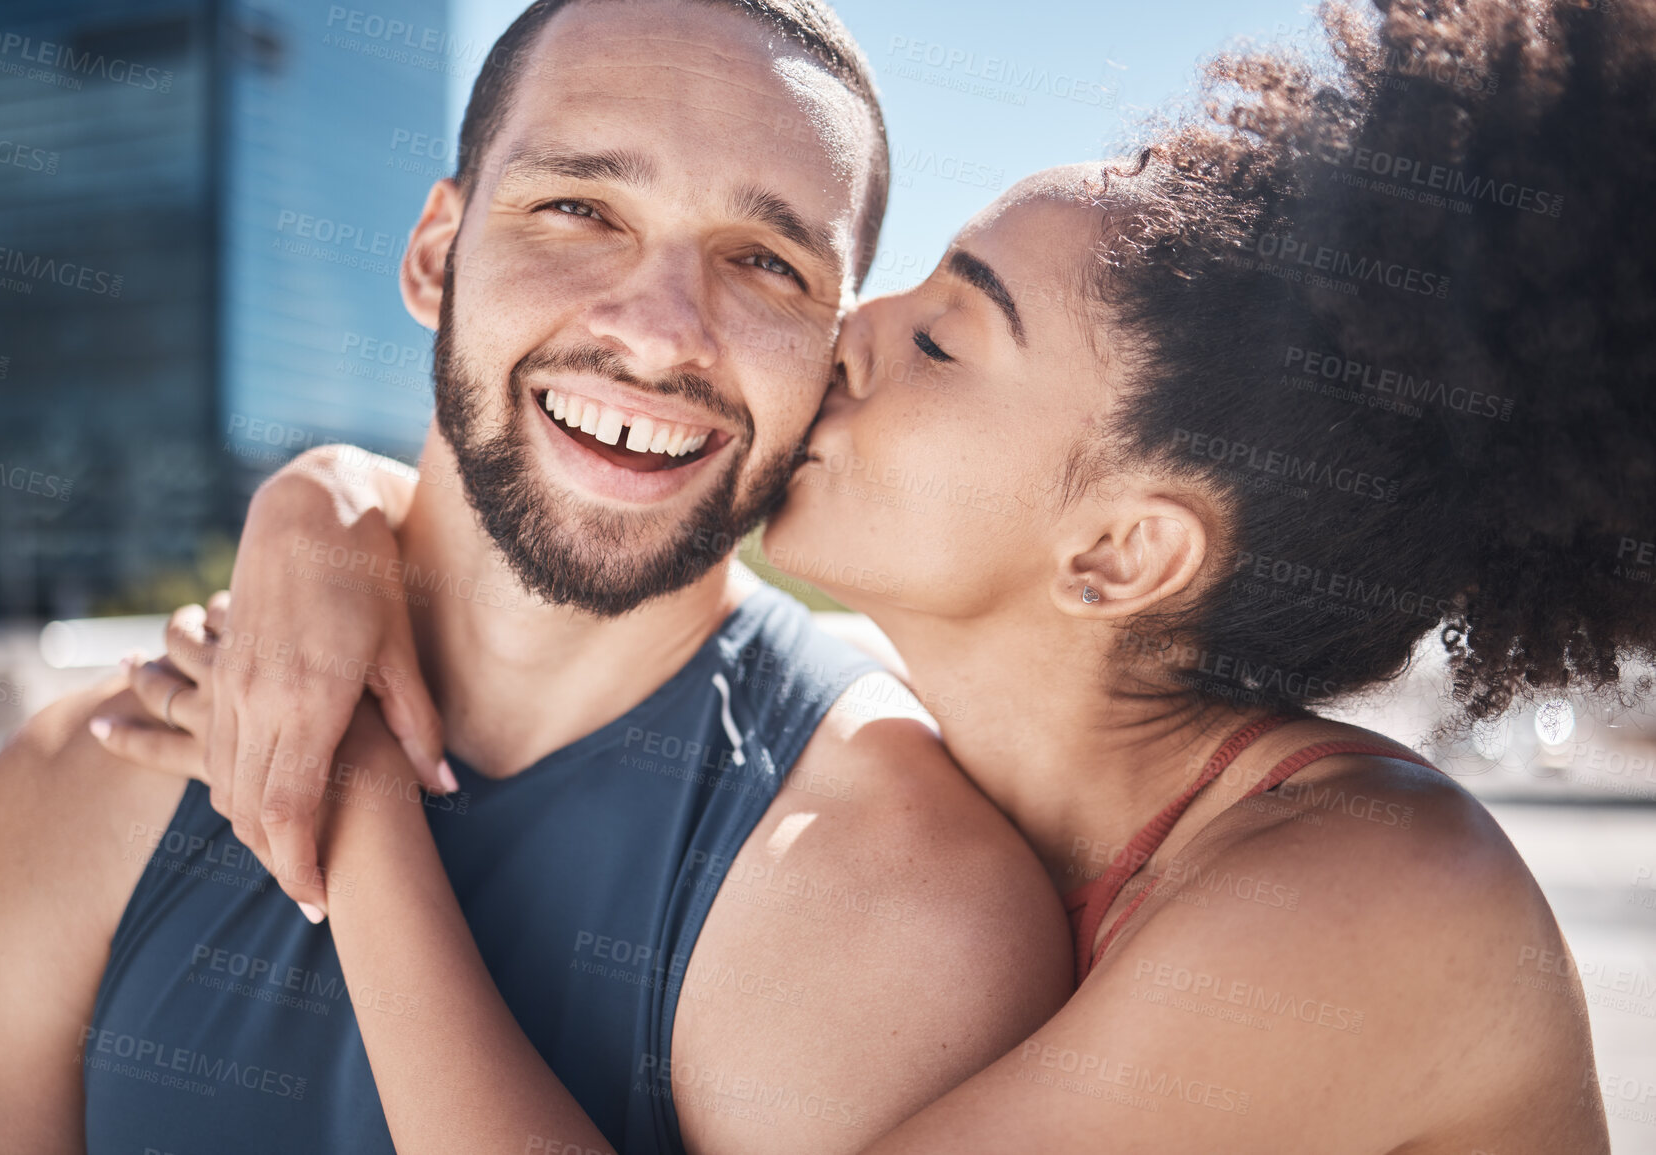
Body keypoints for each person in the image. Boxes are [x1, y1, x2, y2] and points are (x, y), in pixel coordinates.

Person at [93, 0, 1651, 1149]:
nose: (834, 338)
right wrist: (328, 502)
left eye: (939, 339)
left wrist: (345, 789)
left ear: (1116, 549)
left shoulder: (1357, 903)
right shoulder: (991, 795)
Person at [0, 2, 1074, 1153]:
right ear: (436, 258)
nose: (661, 333)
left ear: (831, 354)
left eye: (766, 262)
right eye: (579, 209)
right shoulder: (81, 786)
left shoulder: (905, 903)